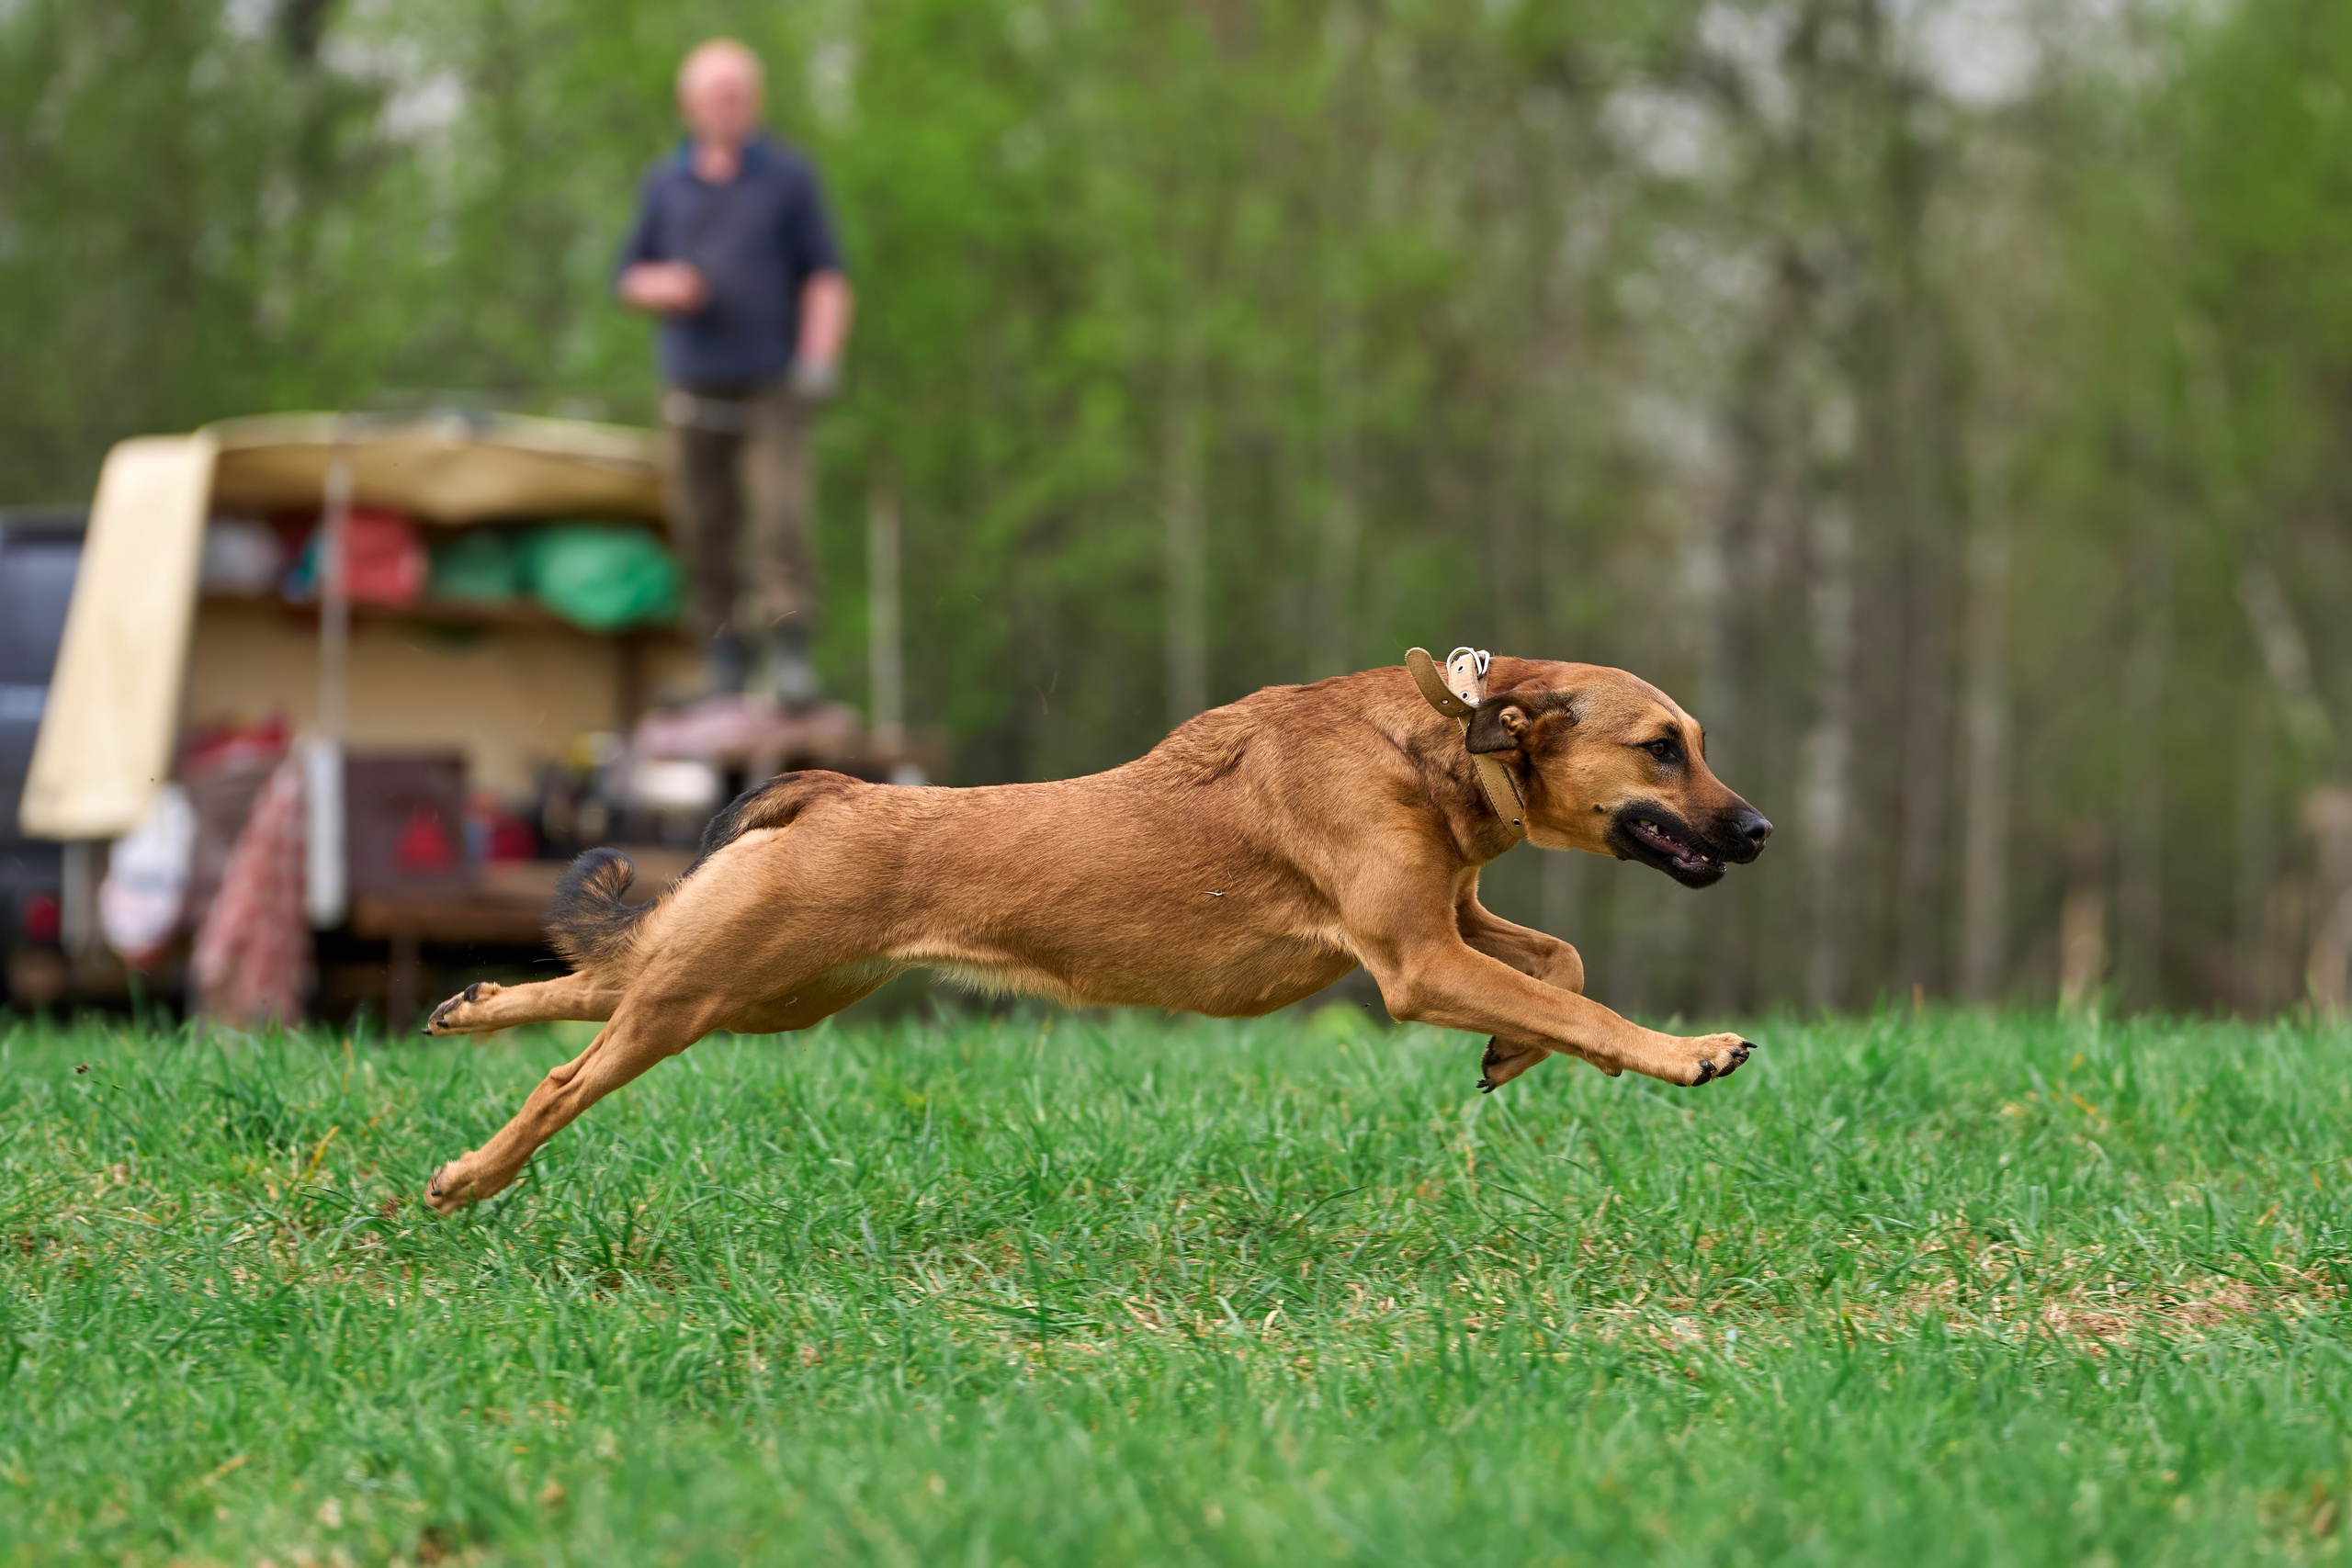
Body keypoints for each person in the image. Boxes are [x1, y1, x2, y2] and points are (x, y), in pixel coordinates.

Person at [616, 39, 854, 703]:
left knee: (781, 519)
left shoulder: (788, 179)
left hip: (773, 384)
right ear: (690, 105)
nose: (733, 106)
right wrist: (664, 284)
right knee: (702, 524)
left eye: (742, 93)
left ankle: (790, 656)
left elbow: (827, 278)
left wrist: (818, 357)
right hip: (692, 385)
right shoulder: (665, 183)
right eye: (720, 94)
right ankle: (723, 660)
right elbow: (628, 277)